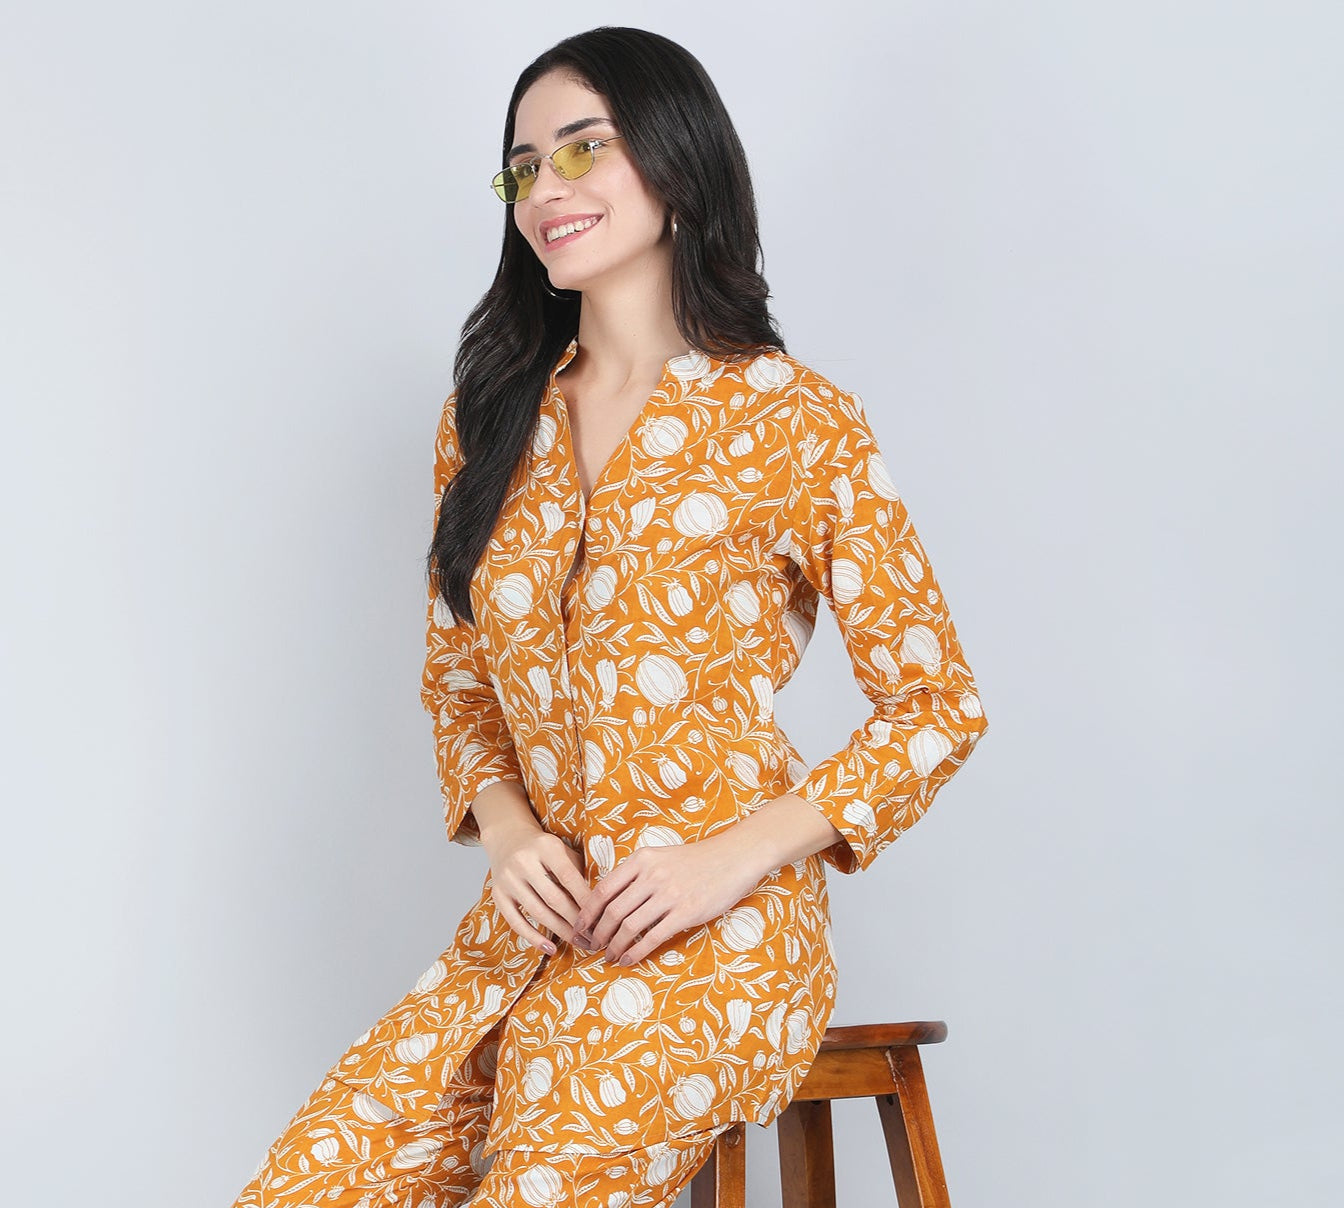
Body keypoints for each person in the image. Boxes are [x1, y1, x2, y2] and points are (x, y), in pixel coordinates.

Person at [231, 23, 989, 1208]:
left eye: (584, 148)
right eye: (524, 167)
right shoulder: (488, 423)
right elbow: (460, 684)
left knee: (538, 1189)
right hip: (528, 932)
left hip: (720, 941)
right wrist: (509, 834)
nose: (548, 188)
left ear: (678, 160)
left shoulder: (794, 421)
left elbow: (937, 704)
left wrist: (729, 859)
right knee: (308, 1184)